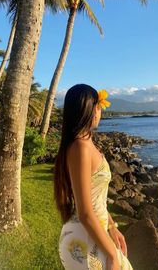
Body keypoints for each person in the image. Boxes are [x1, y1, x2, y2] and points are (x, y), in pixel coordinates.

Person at [54, 84, 134, 270]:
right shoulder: (80, 147)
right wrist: (112, 255)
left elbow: (96, 197)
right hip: (85, 239)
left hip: (97, 232)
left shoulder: (86, 143)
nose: (100, 111)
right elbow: (85, 212)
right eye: (98, 106)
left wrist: (112, 227)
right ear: (90, 109)